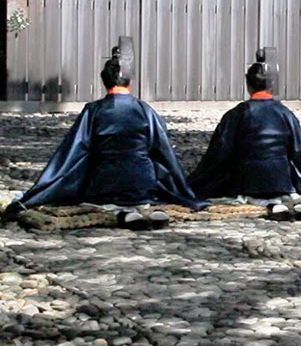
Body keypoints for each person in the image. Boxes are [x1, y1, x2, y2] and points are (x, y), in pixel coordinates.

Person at [4, 42, 207, 220]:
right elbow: (163, 152)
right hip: (142, 186)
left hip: (103, 186)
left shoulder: (94, 110)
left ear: (104, 81)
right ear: (130, 82)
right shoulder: (145, 110)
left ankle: (120, 211)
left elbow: (73, 152)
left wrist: (48, 186)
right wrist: (180, 188)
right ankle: (140, 207)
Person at [187, 53, 301, 199]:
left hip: (245, 182)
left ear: (248, 85)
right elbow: (297, 151)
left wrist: (197, 179)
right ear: (272, 85)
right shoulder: (286, 113)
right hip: (281, 181)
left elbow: (220, 151)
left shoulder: (237, 114)